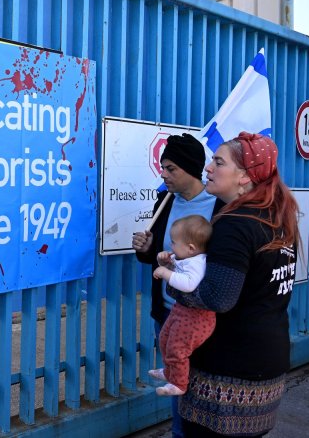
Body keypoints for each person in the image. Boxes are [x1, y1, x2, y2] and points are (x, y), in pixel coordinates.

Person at [169, 132, 299, 437]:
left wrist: (174, 284)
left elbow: (218, 298)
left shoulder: (235, 224)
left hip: (227, 372)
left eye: (218, 162)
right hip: (266, 365)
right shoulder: (276, 217)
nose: (208, 168)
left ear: (244, 177)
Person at [132, 133, 224, 438]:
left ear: (190, 168)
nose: (164, 174)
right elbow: (157, 258)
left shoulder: (219, 206)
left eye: (171, 168)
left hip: (202, 319)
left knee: (204, 393)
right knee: (177, 387)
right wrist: (145, 249)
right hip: (168, 315)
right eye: (163, 167)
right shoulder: (165, 200)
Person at [148, 215, 215, 396]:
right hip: (181, 311)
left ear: (191, 248)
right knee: (164, 338)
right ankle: (169, 371)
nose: (171, 246)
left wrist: (165, 273)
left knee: (178, 349)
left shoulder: (197, 263)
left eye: (174, 243)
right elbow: (178, 269)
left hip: (195, 318)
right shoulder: (187, 258)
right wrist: (167, 263)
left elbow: (189, 284)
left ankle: (178, 383)